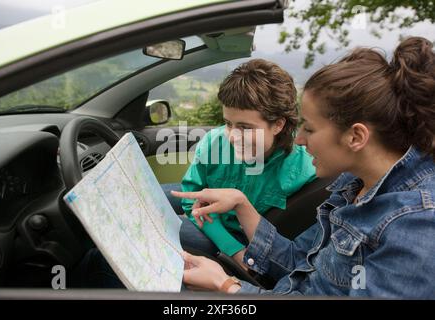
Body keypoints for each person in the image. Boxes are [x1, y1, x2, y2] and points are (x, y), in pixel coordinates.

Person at [172, 36, 435, 298]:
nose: (298, 139)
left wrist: (228, 287)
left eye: (309, 128)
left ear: (356, 137)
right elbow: (298, 263)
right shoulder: (351, 187)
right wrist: (242, 204)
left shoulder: (415, 226)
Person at [175, 59, 316, 269]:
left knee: (165, 230)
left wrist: (244, 252)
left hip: (252, 240)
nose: (232, 137)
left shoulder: (307, 169)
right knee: (151, 198)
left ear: (278, 124)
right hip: (216, 226)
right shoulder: (214, 142)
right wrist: (234, 250)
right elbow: (191, 200)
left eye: (245, 127)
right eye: (228, 124)